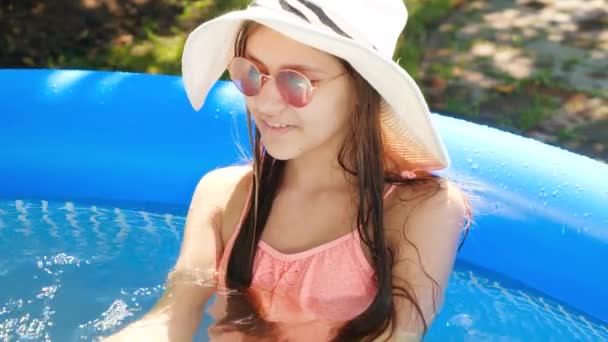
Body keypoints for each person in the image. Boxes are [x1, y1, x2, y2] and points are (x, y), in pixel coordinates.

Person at [105, 0, 471, 341]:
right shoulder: (222, 196)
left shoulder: (418, 210)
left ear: (363, 89)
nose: (263, 101)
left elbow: (398, 334)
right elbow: (172, 315)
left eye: (296, 81)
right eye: (250, 73)